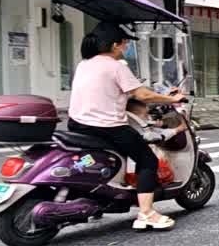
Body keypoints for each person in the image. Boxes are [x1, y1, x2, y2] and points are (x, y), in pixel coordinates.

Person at [68, 22, 185, 231]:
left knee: (104, 157)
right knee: (147, 159)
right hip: (107, 127)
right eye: (125, 43)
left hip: (78, 124)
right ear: (115, 45)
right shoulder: (116, 66)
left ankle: (100, 198)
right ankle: (146, 213)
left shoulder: (84, 64)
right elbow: (143, 95)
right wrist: (171, 99)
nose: (126, 47)